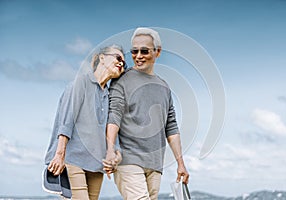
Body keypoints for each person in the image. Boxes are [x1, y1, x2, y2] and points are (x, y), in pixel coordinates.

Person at [105, 27, 189, 200]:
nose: (138, 55)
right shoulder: (121, 81)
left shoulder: (164, 87)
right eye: (134, 51)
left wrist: (181, 163)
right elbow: (114, 115)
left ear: (157, 52)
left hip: (155, 164)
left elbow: (171, 126)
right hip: (128, 161)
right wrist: (110, 149)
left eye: (144, 51)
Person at [44, 45, 126, 200]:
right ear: (102, 58)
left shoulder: (110, 96)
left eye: (124, 63)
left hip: (96, 166)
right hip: (72, 159)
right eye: (118, 57)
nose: (121, 63)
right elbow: (66, 121)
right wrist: (60, 155)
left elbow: (114, 139)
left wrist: (115, 159)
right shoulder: (81, 82)